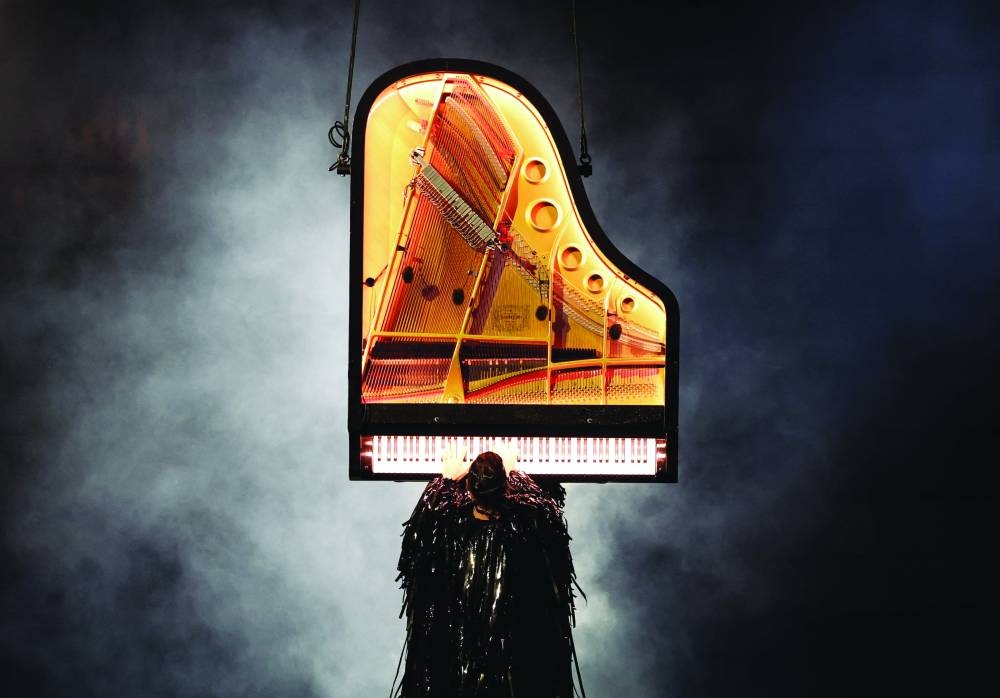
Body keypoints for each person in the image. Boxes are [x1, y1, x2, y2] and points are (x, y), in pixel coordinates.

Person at [392, 440, 586, 698]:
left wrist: (445, 480)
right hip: (516, 677)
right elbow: (549, 518)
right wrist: (517, 475)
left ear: (469, 490)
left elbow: (419, 536)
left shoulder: (448, 532)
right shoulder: (527, 533)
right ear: (505, 486)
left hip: (457, 679)